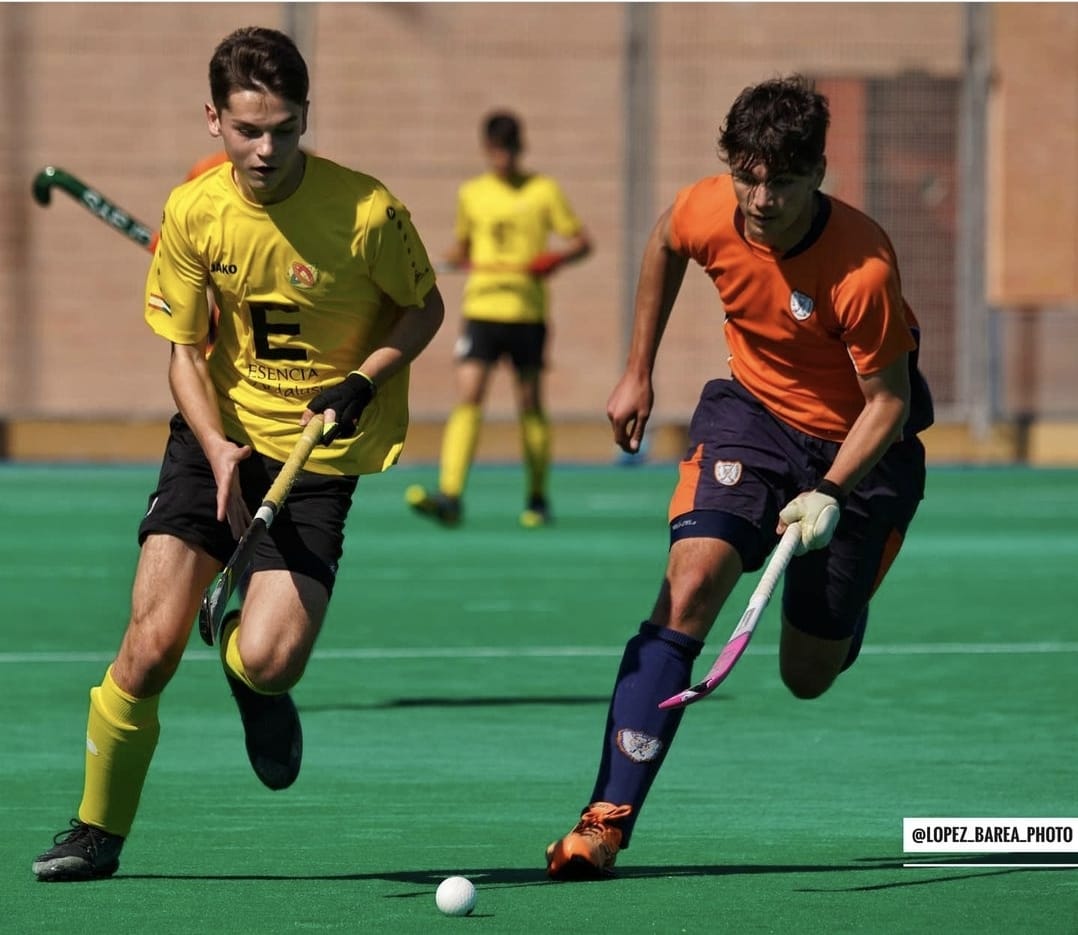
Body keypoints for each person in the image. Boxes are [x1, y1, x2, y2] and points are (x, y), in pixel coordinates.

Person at [32, 26, 444, 882]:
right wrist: (216, 444)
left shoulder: (367, 211)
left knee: (271, 656)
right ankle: (95, 827)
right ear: (213, 117)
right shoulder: (195, 210)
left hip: (316, 453)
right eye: (249, 129)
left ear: (304, 119)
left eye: (285, 129)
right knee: (147, 649)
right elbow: (182, 351)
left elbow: (423, 308)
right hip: (213, 435)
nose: (267, 149)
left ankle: (253, 684)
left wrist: (362, 381)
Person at [544, 75, 934, 880]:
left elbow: (889, 404)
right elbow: (662, 242)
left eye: (780, 182)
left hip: (862, 446)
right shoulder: (708, 208)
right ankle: (604, 819)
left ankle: (844, 604)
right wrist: (636, 370)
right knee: (688, 589)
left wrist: (829, 493)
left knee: (807, 674)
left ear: (818, 172)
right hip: (750, 415)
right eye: (746, 176)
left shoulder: (860, 269)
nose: (760, 199)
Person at [405, 111, 592, 528]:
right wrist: (431, 262)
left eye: (509, 151)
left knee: (529, 402)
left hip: (527, 311)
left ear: (519, 148)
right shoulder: (472, 193)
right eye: (496, 151)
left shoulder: (544, 191)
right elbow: (465, 248)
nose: (503, 160)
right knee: (469, 395)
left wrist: (555, 259)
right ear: (487, 150)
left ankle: (538, 498)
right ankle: (450, 495)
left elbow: (582, 242)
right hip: (482, 310)